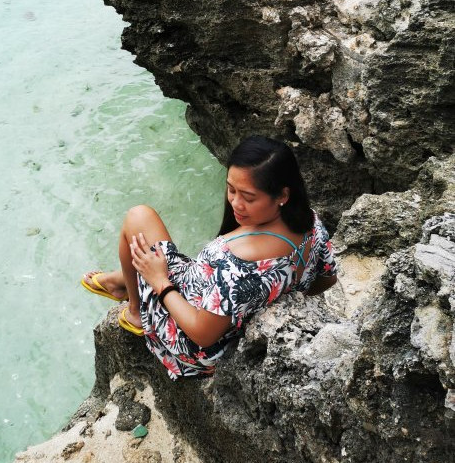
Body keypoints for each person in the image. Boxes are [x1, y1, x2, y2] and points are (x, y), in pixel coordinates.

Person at [81, 135, 338, 379]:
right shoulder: (312, 225)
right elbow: (327, 279)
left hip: (196, 345)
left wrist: (159, 280)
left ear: (282, 195)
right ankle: (125, 281)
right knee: (147, 239)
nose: (236, 203)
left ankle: (135, 310)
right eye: (231, 190)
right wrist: (274, 292)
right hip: (212, 298)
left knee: (138, 216)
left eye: (248, 197)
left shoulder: (236, 263)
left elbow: (202, 335)